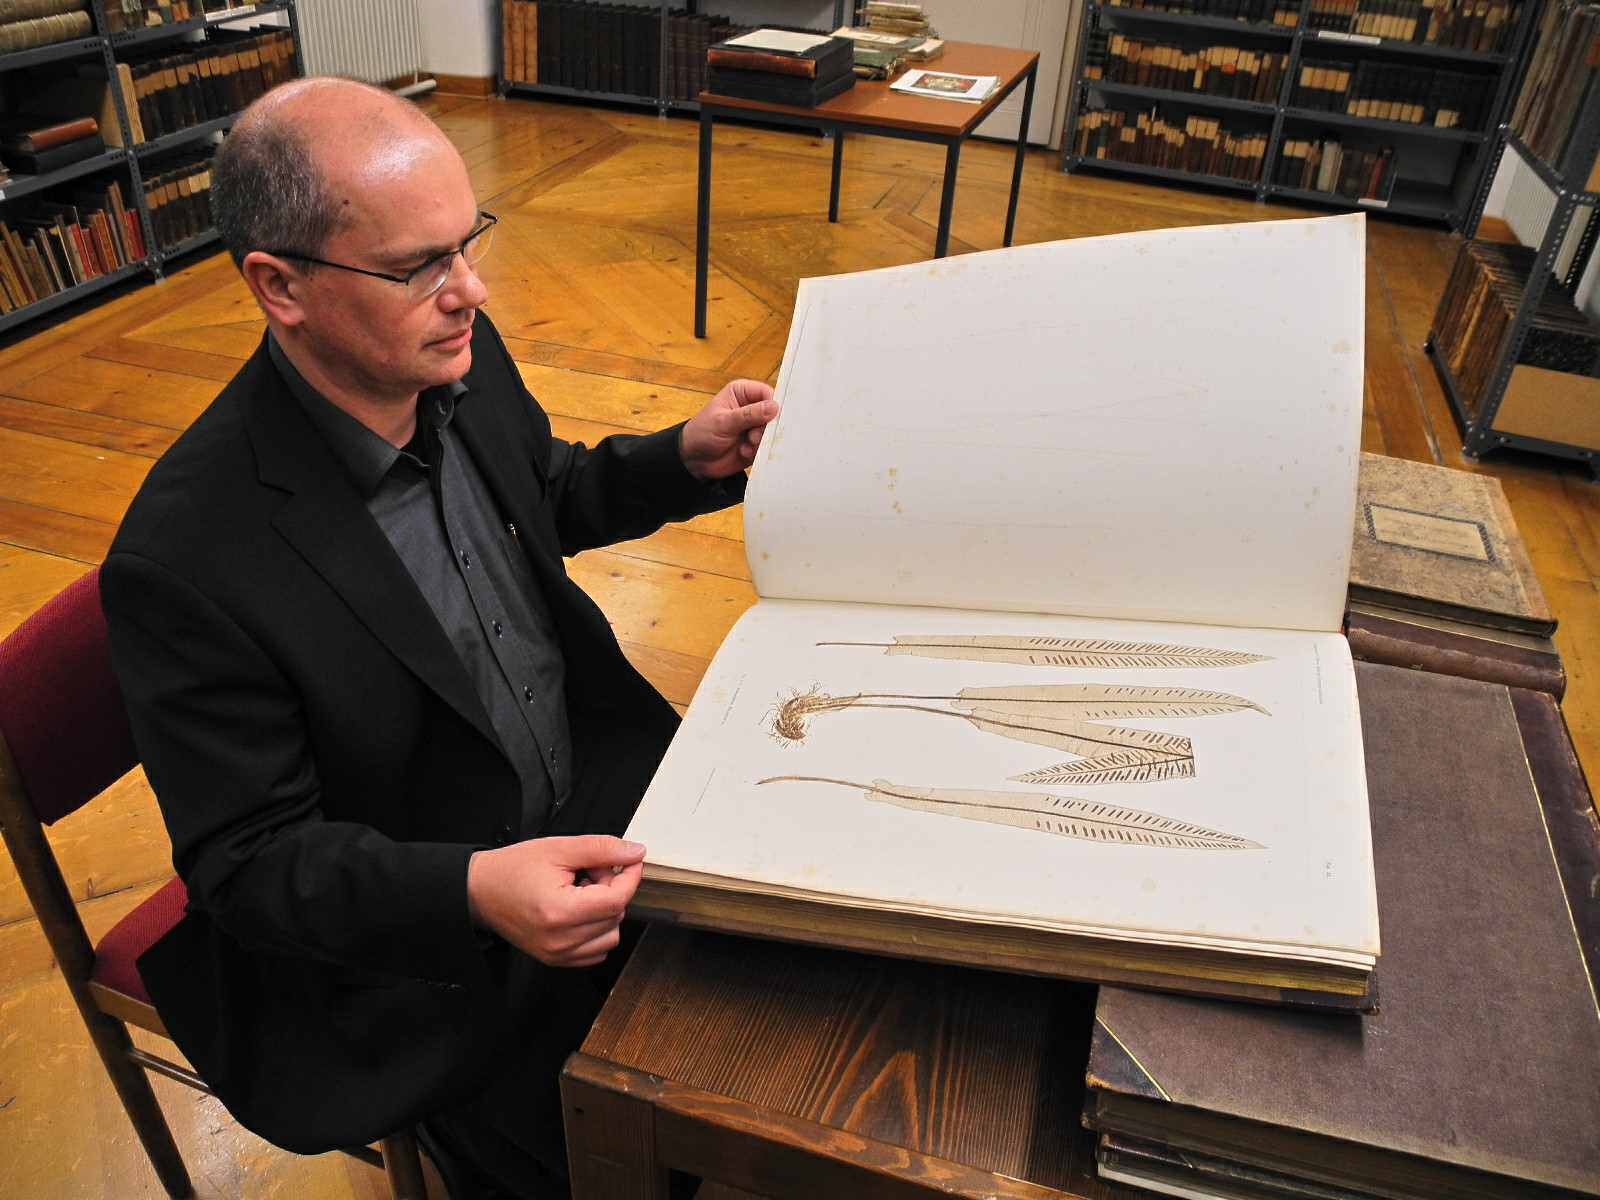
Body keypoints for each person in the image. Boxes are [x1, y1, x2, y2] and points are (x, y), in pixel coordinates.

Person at [99, 77, 777, 1199]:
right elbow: (247, 865)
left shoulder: (448, 348)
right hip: (427, 931)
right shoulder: (186, 557)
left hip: (591, 787)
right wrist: (471, 890)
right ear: (279, 286)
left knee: (795, 1009)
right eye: (419, 265)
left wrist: (680, 458)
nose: (471, 289)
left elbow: (538, 493)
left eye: (468, 243)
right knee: (622, 1157)